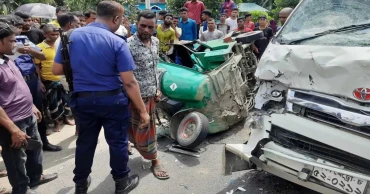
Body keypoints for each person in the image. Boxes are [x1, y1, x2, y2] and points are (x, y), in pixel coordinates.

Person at [52, 1, 149, 193]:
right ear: (115, 18)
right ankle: (121, 182)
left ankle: (80, 184)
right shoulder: (116, 41)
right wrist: (143, 111)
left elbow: (56, 70)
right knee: (118, 142)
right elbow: (129, 82)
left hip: (83, 100)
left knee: (85, 142)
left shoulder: (70, 36)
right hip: (113, 101)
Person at [0, 22, 58, 194]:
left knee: (35, 147)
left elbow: (17, 84)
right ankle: (22, 189)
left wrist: (31, 105)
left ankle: (35, 177)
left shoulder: (6, 58)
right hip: (12, 121)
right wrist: (12, 129)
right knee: (16, 159)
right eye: (11, 41)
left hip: (27, 114)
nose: (15, 45)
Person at [5, 15, 63, 152]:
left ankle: (43, 143)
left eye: (18, 27)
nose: (17, 30)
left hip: (30, 80)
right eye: (14, 26)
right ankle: (19, 149)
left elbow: (42, 56)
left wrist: (30, 51)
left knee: (38, 112)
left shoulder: (23, 40)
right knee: (14, 116)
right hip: (11, 84)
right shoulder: (4, 45)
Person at [127, 10, 170, 180]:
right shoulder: (128, 45)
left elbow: (154, 68)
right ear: (136, 24)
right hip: (136, 97)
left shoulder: (155, 42)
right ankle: (154, 159)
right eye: (142, 25)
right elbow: (127, 77)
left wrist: (157, 88)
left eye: (150, 27)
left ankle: (153, 159)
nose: (146, 29)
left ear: (155, 27)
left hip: (152, 94)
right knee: (141, 130)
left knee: (146, 130)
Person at [35, 24, 75, 132]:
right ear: (45, 34)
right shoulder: (39, 48)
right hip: (49, 79)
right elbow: (37, 66)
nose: (55, 36)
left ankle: (66, 118)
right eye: (52, 34)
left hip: (63, 78)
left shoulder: (63, 44)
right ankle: (56, 122)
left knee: (67, 101)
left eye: (57, 34)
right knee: (53, 103)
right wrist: (40, 81)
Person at [54, 13, 80, 136]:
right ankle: (80, 128)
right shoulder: (64, 39)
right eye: (78, 24)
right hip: (69, 78)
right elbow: (57, 68)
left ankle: (79, 128)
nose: (80, 26)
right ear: (70, 24)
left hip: (70, 78)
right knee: (75, 103)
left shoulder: (64, 37)